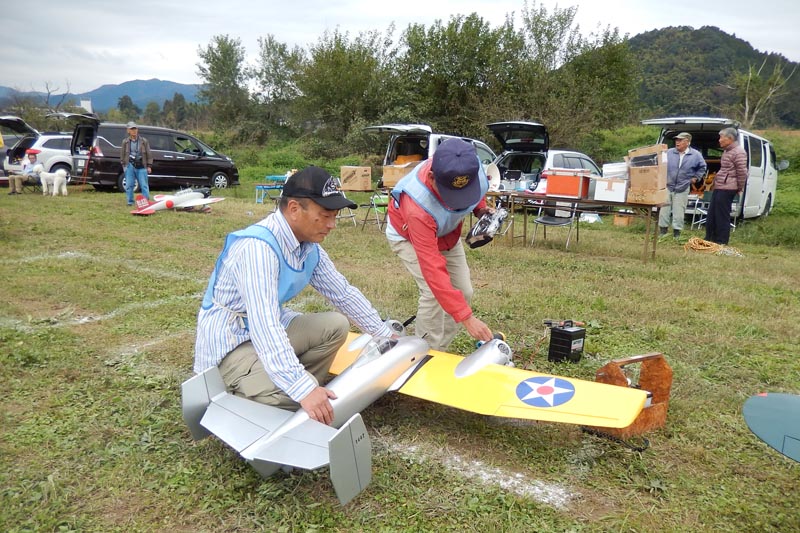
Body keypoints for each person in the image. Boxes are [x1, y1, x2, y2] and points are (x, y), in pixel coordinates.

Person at [194, 166, 395, 425]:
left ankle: (294, 384)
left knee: (335, 325)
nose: (332, 225)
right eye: (325, 215)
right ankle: (256, 390)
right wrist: (302, 389)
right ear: (294, 209)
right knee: (290, 398)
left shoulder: (308, 246)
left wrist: (384, 334)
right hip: (232, 344)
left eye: (334, 216)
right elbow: (264, 324)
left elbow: (342, 293)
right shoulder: (257, 249)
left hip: (264, 332)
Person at [385, 138, 495, 351]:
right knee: (433, 293)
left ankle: (440, 351)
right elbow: (432, 268)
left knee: (464, 292)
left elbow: (477, 192)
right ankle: (424, 354)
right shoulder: (417, 206)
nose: (457, 201)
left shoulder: (472, 168)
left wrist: (480, 210)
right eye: (451, 194)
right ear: (432, 177)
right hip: (408, 236)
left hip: (446, 234)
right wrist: (466, 318)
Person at [658, 132, 707, 240]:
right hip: (667, 185)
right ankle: (662, 232)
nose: (677, 142)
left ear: (687, 142)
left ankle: (677, 234)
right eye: (676, 140)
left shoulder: (696, 155)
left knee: (679, 211)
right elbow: (660, 164)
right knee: (664, 210)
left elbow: (702, 167)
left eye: (680, 140)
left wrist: (696, 178)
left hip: (683, 187)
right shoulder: (669, 152)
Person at [706, 127, 747, 245]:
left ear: (730, 138)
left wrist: (739, 187)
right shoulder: (726, 151)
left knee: (721, 215)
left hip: (728, 188)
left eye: (721, 137)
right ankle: (709, 238)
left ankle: (721, 241)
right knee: (712, 214)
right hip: (720, 186)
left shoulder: (739, 152)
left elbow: (742, 172)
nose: (719, 140)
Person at [120, 121, 152, 206]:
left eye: (135, 129)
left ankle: (146, 201)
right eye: (132, 129)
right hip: (129, 165)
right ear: (128, 130)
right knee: (129, 185)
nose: (134, 131)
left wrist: (149, 165)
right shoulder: (125, 142)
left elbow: (149, 153)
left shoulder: (144, 141)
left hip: (142, 165)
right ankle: (130, 202)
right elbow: (122, 154)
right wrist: (124, 165)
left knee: (144, 185)